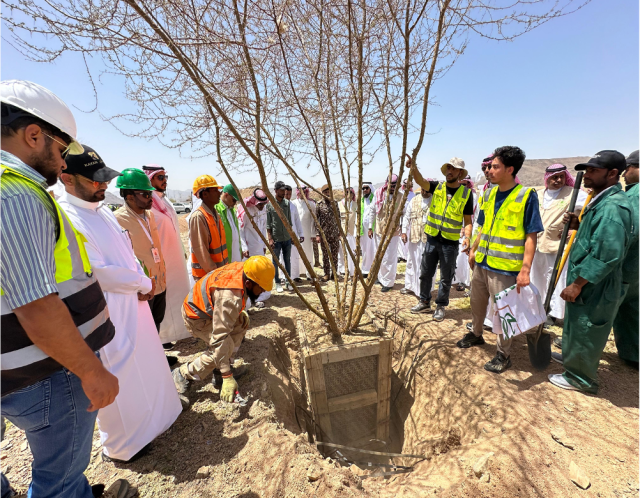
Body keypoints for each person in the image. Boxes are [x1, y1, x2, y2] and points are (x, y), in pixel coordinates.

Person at [0, 80, 122, 498]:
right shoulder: (15, 192)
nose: (62, 160)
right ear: (34, 135)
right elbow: (35, 306)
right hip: (44, 372)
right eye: (62, 148)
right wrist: (91, 370)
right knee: (61, 480)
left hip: (17, 369)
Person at [59, 148, 182, 462]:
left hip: (135, 301)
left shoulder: (101, 212)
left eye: (104, 180)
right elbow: (98, 271)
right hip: (110, 308)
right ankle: (127, 444)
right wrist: (141, 283)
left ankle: (160, 419)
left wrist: (142, 280)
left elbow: (129, 254)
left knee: (149, 363)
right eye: (94, 180)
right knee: (123, 372)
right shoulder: (68, 217)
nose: (102, 186)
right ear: (67, 178)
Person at [548, 151, 633, 393]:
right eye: (586, 170)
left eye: (593, 171)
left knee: (587, 325)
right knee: (576, 321)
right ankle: (572, 360)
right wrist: (579, 225)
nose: (586, 175)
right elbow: (596, 237)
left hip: (597, 282)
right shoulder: (601, 200)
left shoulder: (613, 207)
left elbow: (607, 253)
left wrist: (578, 284)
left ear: (612, 173)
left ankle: (580, 378)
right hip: (587, 278)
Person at [459, 146, 544, 374]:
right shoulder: (488, 194)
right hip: (483, 263)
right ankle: (476, 334)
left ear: (510, 169)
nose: (490, 170)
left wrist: (525, 270)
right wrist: (474, 250)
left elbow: (531, 235)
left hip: (506, 268)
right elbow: (482, 227)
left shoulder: (526, 196)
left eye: (495, 167)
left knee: (504, 312)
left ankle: (503, 354)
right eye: (489, 166)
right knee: (477, 304)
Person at [172, 256, 275, 401]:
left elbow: (226, 299)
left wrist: (239, 311)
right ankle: (183, 374)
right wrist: (228, 376)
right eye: (261, 287)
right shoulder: (229, 298)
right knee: (225, 345)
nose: (263, 291)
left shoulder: (247, 269)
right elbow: (218, 339)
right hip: (197, 317)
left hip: (211, 309)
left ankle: (219, 372)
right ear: (248, 283)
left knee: (241, 324)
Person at [113, 169, 178, 367]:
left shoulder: (149, 216)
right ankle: (147, 364)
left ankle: (157, 357)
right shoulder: (117, 220)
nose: (150, 198)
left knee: (156, 321)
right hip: (142, 287)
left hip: (158, 281)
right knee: (143, 328)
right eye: (145, 194)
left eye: (150, 193)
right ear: (129, 196)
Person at [409, 156, 474, 320]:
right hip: (432, 239)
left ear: (460, 172)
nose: (450, 171)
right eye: (448, 168)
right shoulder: (437, 186)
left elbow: (468, 221)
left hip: (450, 243)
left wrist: (467, 237)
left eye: (453, 169)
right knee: (425, 273)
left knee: (445, 277)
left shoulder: (466, 194)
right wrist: (413, 167)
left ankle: (440, 305)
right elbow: (420, 181)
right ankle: (424, 301)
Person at [530, 164, 588, 325]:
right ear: (547, 178)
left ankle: (555, 313)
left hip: (558, 245)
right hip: (538, 243)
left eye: (562, 176)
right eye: (554, 177)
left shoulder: (573, 194)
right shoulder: (539, 194)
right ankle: (539, 307)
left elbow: (588, 213)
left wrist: (575, 228)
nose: (558, 180)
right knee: (536, 277)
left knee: (555, 278)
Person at [142, 164, 191, 346]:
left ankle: (181, 330)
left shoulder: (165, 202)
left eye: (165, 177)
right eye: (159, 177)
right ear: (150, 179)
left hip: (176, 256)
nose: (164, 181)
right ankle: (165, 337)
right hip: (162, 260)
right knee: (165, 299)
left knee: (179, 293)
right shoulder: (148, 207)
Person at [613, 150, 640, 368]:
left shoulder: (635, 196)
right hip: (635, 267)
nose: (624, 173)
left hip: (627, 264)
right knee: (632, 310)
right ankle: (633, 354)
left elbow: (628, 232)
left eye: (628, 168)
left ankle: (581, 355)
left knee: (604, 307)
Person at [365, 174, 404, 292]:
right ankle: (381, 278)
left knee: (390, 257)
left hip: (393, 232)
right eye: (391, 185)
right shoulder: (378, 193)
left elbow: (404, 213)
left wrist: (403, 228)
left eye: (395, 185)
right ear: (386, 184)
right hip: (379, 230)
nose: (392, 187)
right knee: (380, 255)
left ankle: (388, 282)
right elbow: (372, 210)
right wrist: (370, 228)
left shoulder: (401, 196)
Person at [190, 175, 228, 282]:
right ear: (205, 194)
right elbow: (201, 251)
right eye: (215, 190)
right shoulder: (199, 217)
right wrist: (215, 274)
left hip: (219, 272)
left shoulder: (215, 214)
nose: (219, 192)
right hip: (208, 277)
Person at [237, 188, 271, 307]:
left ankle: (258, 298)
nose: (262, 206)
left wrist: (264, 244)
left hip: (259, 246)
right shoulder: (246, 211)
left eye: (263, 204)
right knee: (249, 275)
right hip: (249, 248)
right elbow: (240, 230)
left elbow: (263, 228)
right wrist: (244, 247)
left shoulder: (264, 210)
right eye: (260, 204)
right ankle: (247, 299)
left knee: (260, 273)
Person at [401, 186, 433, 297]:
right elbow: (406, 217)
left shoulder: (435, 201)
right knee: (412, 261)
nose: (424, 192)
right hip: (414, 236)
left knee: (426, 264)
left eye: (426, 190)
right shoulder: (414, 200)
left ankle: (423, 291)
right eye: (422, 190)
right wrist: (404, 231)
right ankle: (410, 286)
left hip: (428, 238)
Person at [266, 180, 293, 292]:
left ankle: (288, 281)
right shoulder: (270, 205)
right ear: (276, 190)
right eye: (281, 190)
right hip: (276, 239)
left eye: (284, 190)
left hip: (287, 238)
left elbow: (289, 221)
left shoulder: (287, 204)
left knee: (287, 260)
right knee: (275, 262)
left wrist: (292, 236)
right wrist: (270, 239)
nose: (283, 192)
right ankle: (277, 282)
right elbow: (269, 224)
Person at [452, 175, 478, 292]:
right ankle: (455, 278)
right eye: (460, 184)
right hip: (457, 229)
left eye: (465, 184)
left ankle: (463, 281)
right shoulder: (457, 195)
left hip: (468, 230)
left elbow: (472, 216)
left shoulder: (473, 195)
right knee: (456, 256)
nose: (463, 186)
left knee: (463, 257)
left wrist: (466, 229)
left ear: (469, 184)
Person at [315, 184, 341, 282]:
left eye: (328, 192)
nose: (327, 193)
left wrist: (339, 231)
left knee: (334, 254)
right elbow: (316, 220)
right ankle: (326, 274)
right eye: (325, 192)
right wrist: (318, 234)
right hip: (324, 234)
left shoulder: (335, 203)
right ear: (322, 193)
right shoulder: (319, 204)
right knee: (325, 255)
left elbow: (338, 217)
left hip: (334, 233)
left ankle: (334, 274)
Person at [291, 185, 316, 280]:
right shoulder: (293, 203)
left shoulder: (311, 204)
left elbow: (314, 220)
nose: (302, 194)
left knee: (308, 252)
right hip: (296, 233)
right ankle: (297, 274)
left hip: (307, 232)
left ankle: (309, 273)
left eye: (304, 191)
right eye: (300, 191)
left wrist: (313, 234)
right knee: (296, 253)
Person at [283, 185, 305, 282]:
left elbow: (297, 221)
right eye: (286, 194)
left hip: (294, 235)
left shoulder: (293, 206)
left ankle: (295, 276)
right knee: (283, 256)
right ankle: (284, 277)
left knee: (295, 256)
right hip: (283, 235)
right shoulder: (278, 206)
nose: (287, 196)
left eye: (289, 194)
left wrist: (301, 234)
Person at [216, 184, 242, 263]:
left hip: (236, 252)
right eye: (233, 200)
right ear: (226, 195)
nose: (235, 203)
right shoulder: (217, 209)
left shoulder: (232, 210)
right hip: (225, 255)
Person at [338, 187, 357, 276]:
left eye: (350, 192)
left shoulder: (355, 205)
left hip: (352, 232)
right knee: (342, 252)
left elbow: (357, 219)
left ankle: (352, 270)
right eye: (346, 192)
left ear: (353, 194)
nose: (348, 194)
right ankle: (342, 269)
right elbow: (337, 218)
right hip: (342, 232)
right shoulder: (339, 204)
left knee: (352, 252)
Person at [360, 182, 376, 276]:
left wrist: (371, 228)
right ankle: (365, 270)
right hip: (364, 229)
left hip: (373, 229)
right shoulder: (362, 200)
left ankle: (373, 270)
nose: (365, 190)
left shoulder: (374, 199)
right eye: (363, 188)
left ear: (370, 188)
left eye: (367, 188)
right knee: (365, 249)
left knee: (373, 249)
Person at [397, 179, 415, 263]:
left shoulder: (413, 195)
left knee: (407, 235)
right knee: (399, 236)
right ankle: (400, 255)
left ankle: (406, 255)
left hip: (410, 218)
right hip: (401, 217)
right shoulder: (400, 194)